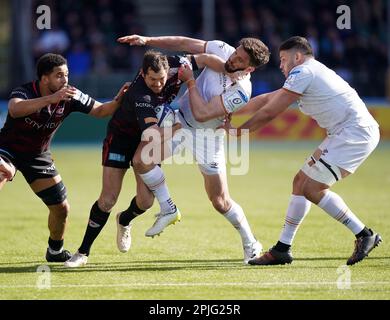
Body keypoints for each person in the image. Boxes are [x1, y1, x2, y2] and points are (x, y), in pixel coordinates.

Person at [222, 36, 381, 266]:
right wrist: (228, 108)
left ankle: (364, 234)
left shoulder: (303, 72)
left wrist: (238, 132)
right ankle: (282, 249)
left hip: (353, 134)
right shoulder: (307, 73)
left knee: (313, 188)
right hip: (344, 133)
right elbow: (268, 99)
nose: (280, 65)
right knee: (300, 182)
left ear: (297, 57)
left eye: (283, 59)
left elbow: (270, 112)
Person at [64, 50, 226, 267]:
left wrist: (231, 73)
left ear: (169, 70)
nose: (158, 84)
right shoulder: (141, 94)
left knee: (146, 202)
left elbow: (205, 58)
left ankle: (124, 220)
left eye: (162, 79)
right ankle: (82, 253)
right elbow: (153, 134)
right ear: (143, 73)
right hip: (123, 138)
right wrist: (179, 127)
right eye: (152, 80)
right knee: (108, 199)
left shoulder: (178, 64)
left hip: (147, 141)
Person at [117, 34, 270, 263]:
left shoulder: (241, 92)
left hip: (207, 136)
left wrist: (190, 81)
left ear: (250, 69)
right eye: (236, 53)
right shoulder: (221, 49)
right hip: (179, 122)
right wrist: (147, 40)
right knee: (141, 160)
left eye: (240, 60)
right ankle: (168, 208)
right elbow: (184, 43)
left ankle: (251, 244)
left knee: (220, 201)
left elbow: (202, 113)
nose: (233, 58)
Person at [0, 53, 129, 262]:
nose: (65, 80)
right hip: (8, 149)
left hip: (38, 156)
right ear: (44, 79)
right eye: (59, 76)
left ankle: (55, 251)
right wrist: (51, 99)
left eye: (66, 75)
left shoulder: (72, 95)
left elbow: (101, 111)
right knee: (2, 173)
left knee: (61, 208)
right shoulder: (24, 90)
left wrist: (119, 99)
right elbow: (14, 109)